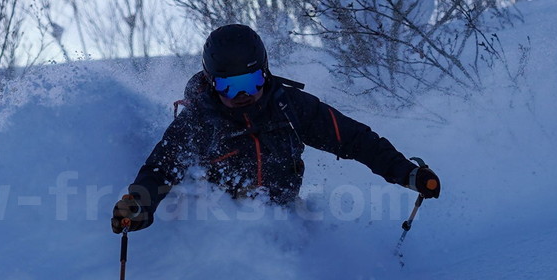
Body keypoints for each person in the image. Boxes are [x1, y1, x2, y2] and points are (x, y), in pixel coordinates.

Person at [112, 24, 440, 233]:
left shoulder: (290, 108)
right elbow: (160, 170)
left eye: (251, 81)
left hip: (284, 215)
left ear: (265, 74)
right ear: (213, 84)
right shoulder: (197, 123)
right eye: (229, 86)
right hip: (223, 227)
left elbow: (355, 140)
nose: (243, 95)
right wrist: (139, 206)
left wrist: (407, 174)